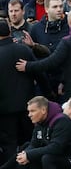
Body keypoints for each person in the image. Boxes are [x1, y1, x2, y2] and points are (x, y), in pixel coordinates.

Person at [0, 19, 37, 165]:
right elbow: (38, 72)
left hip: (4, 111)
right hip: (27, 107)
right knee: (29, 143)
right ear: (10, 31)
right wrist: (48, 92)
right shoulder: (23, 50)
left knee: (8, 146)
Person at [14, 96, 71, 169]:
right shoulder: (40, 122)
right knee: (26, 155)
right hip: (59, 155)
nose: (29, 115)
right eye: (29, 111)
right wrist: (25, 154)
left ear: (43, 110)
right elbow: (34, 144)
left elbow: (56, 147)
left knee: (47, 158)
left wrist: (29, 154)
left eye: (32, 111)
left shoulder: (61, 121)